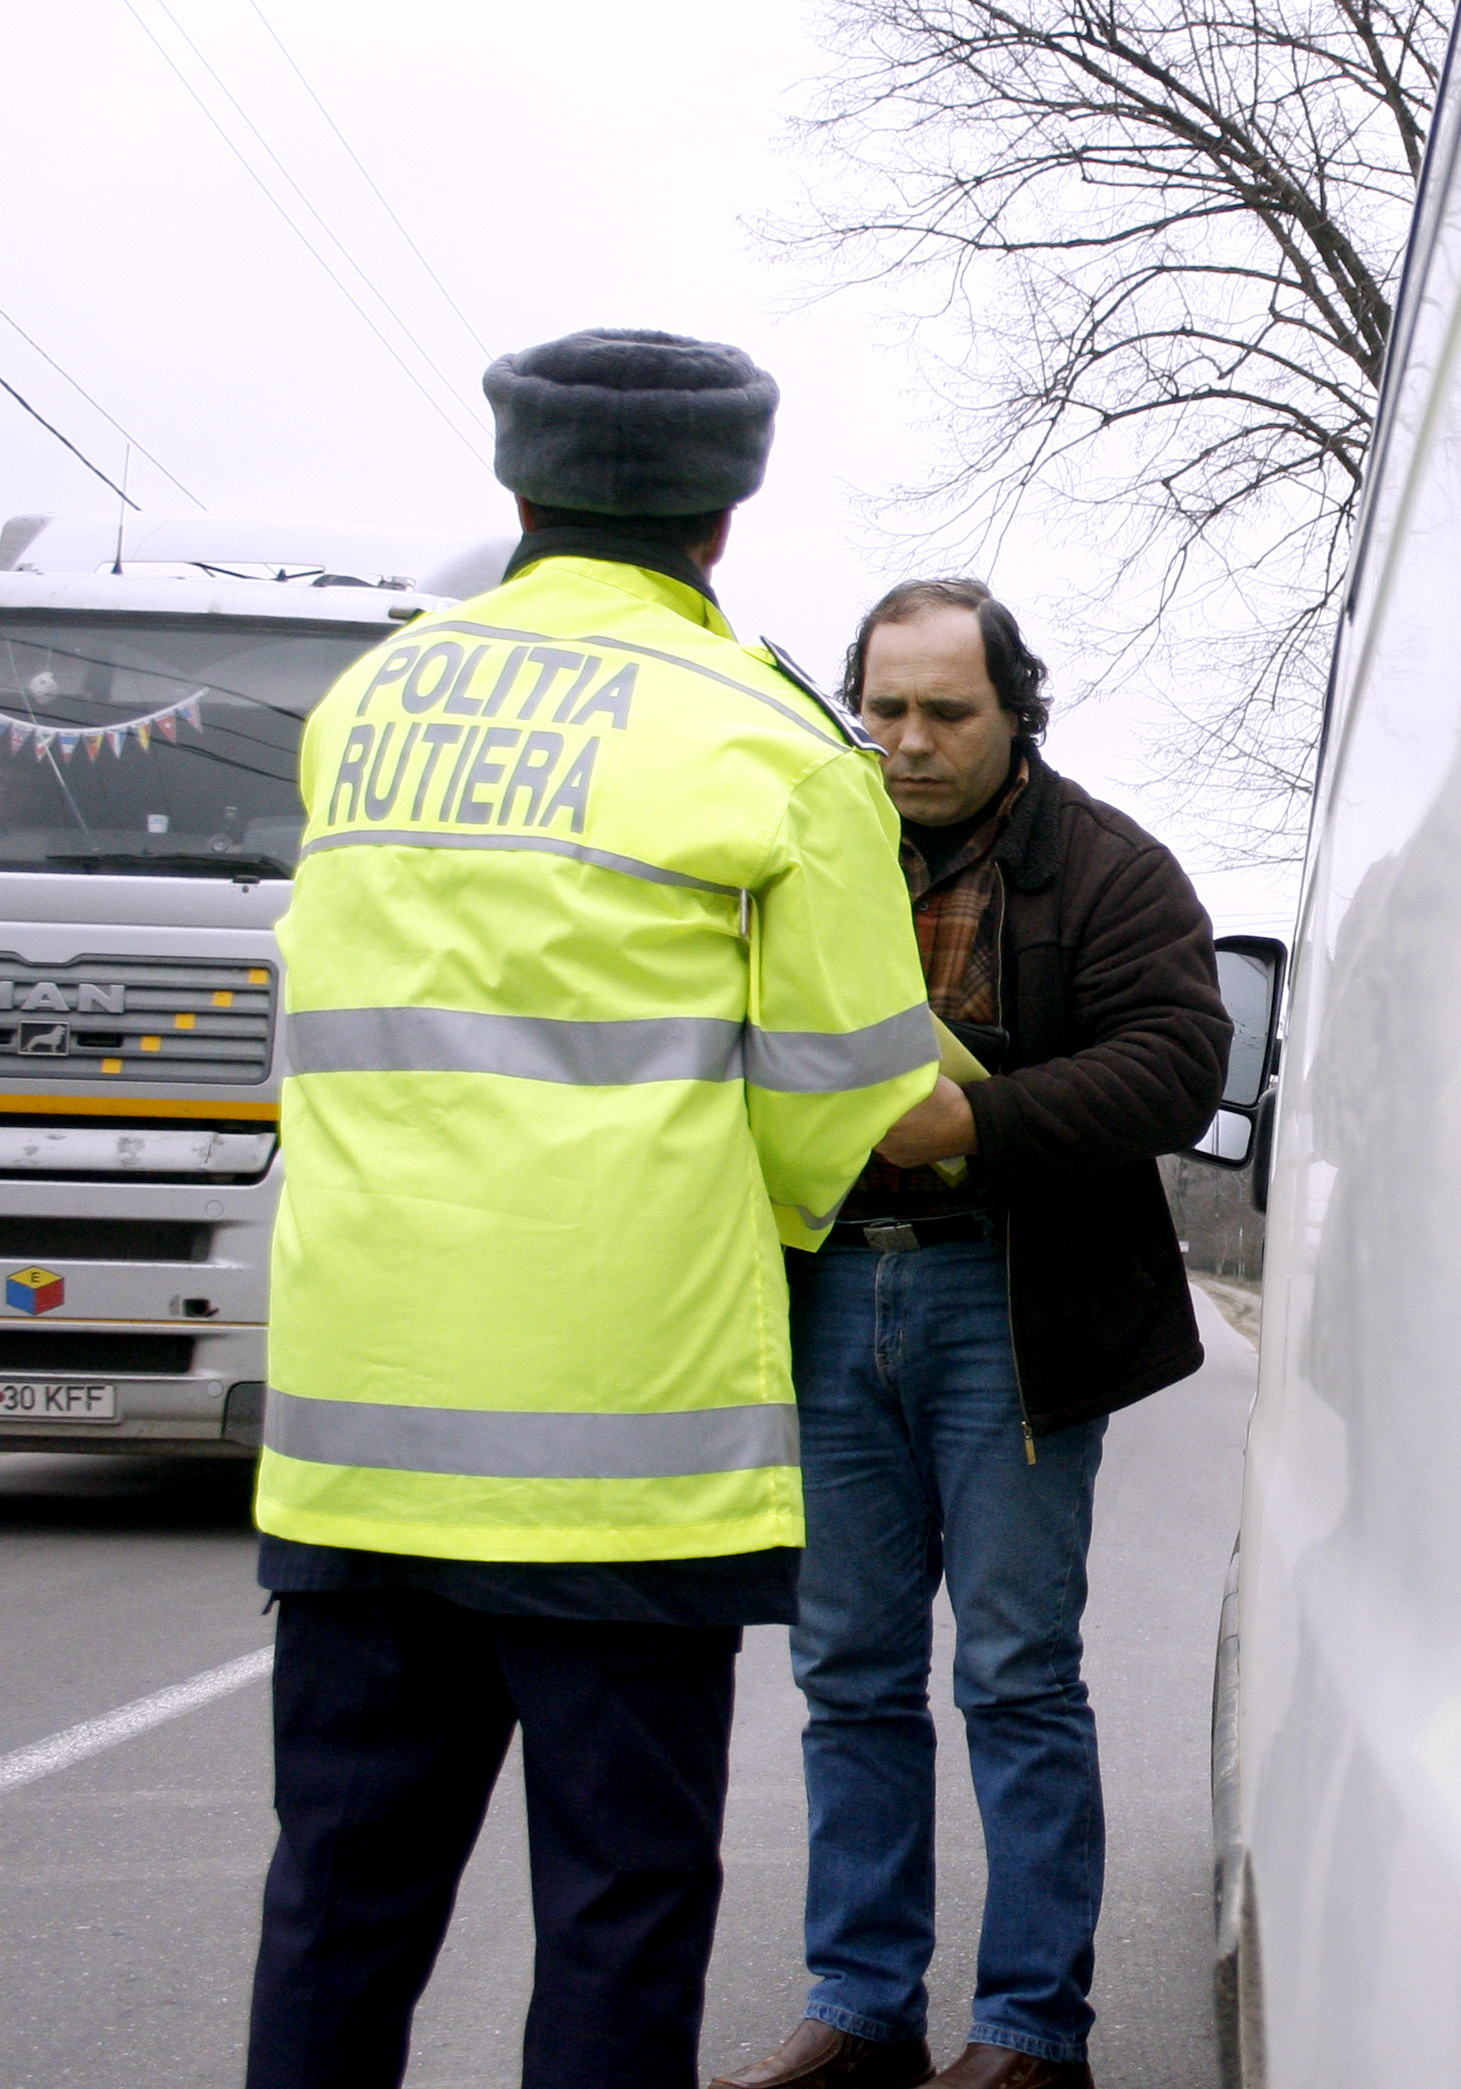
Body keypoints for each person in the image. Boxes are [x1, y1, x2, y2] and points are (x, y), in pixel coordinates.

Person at [244, 328, 957, 2089]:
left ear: (518, 489)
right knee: (618, 1915)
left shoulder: (369, 706)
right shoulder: (776, 746)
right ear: (727, 512)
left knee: (336, 1912)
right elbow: (858, 1118)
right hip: (620, 1464)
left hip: (357, 1442)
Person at [711, 581, 1231, 2089]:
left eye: (946, 711)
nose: (906, 741)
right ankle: (861, 2010)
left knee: (1012, 1673)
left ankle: (1024, 2037)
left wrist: (977, 1122)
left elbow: (1178, 1062)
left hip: (1007, 1302)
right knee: (849, 1671)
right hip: (826, 1294)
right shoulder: (804, 851)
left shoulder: (1110, 866)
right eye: (881, 709)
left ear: (1018, 714)